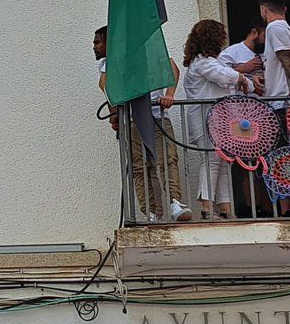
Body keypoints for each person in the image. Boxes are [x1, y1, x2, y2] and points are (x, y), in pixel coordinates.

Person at [98, 26, 189, 223]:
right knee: (141, 167)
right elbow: (105, 85)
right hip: (132, 120)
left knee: (166, 160)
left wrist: (169, 95)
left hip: (155, 115)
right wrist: (115, 115)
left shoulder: (150, 48)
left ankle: (175, 203)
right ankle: (152, 212)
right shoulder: (112, 60)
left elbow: (172, 68)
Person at [176, 19, 254, 220]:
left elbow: (229, 77)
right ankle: (207, 207)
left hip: (218, 119)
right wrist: (243, 79)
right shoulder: (202, 62)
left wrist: (243, 80)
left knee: (222, 161)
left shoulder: (208, 61)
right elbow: (225, 76)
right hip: (206, 119)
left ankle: (225, 208)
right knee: (211, 160)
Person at [257, 0, 290, 100]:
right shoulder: (285, 27)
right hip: (282, 95)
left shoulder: (274, 27)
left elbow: (286, 61)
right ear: (284, 9)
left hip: (280, 96)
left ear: (264, 10)